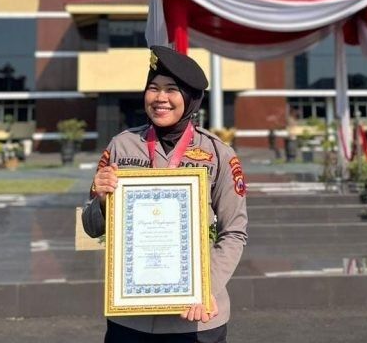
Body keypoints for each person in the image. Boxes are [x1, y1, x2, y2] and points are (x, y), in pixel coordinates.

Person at [82, 45, 248, 343]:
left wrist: (204, 289)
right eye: (153, 88)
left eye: (171, 90)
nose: (160, 98)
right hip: (131, 318)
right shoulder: (121, 146)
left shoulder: (217, 154)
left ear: (190, 99)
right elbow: (90, 227)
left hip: (196, 319)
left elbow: (234, 232)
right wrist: (103, 202)